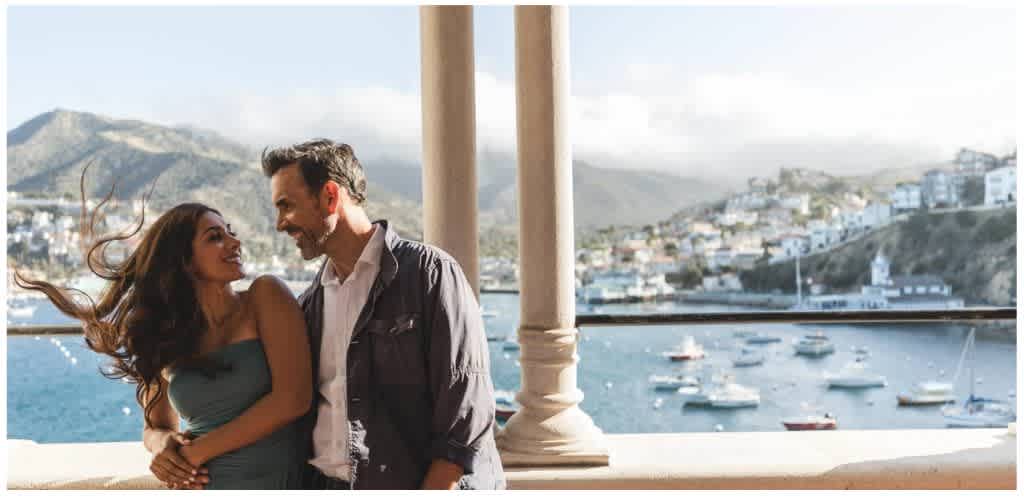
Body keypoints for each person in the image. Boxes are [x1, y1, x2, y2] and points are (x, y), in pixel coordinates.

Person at [15, 173, 313, 490]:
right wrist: (163, 446)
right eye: (215, 237)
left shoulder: (265, 295)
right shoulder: (164, 334)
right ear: (182, 260)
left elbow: (293, 399)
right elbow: (154, 428)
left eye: (230, 233)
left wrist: (195, 453)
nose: (234, 243)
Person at [261, 138, 506, 489]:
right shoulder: (310, 304)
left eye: (286, 206)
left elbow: (466, 416)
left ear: (330, 196)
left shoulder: (430, 274)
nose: (280, 224)